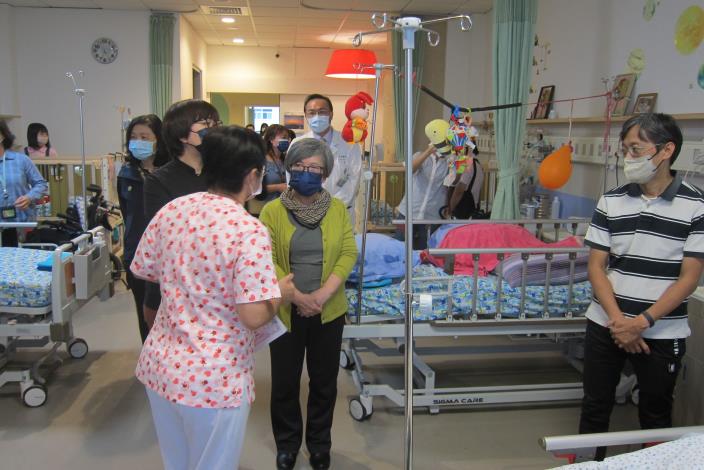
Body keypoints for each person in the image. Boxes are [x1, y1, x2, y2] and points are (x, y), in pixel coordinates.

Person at [131, 125, 294, 470]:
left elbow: (144, 268)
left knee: (177, 463)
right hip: (212, 377)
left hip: (162, 367)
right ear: (253, 176)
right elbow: (252, 315)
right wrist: (282, 295)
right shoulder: (247, 229)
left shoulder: (174, 210)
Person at [579, 113, 704, 460]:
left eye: (636, 149)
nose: (628, 158)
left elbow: (689, 278)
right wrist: (620, 322)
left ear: (666, 150)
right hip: (606, 323)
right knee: (594, 407)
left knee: (655, 412)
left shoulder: (696, 205)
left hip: (662, 329)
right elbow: (596, 267)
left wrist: (642, 323)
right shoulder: (611, 201)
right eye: (625, 150)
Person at [259, 138, 357, 470]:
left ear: (325, 173)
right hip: (286, 310)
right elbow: (265, 258)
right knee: (285, 382)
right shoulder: (272, 211)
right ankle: (287, 444)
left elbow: (347, 253)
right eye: (300, 167)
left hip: (328, 310)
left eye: (315, 168)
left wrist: (322, 295)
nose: (307, 173)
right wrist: (298, 297)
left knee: (324, 381)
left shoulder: (338, 209)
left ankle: (319, 445)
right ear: (290, 168)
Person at [142, 99, 221, 331]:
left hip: (217, 283)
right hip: (175, 285)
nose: (214, 129)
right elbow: (162, 241)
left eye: (216, 123)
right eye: (206, 124)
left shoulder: (223, 175)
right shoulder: (158, 181)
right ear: (181, 135)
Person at [117, 114, 169, 343]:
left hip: (168, 255)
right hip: (137, 253)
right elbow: (127, 213)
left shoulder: (169, 174)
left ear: (159, 139)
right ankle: (152, 363)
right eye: (134, 137)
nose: (138, 142)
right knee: (145, 312)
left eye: (145, 137)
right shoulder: (126, 174)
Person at [293, 94, 362, 223]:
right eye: (311, 113)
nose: (317, 116)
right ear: (306, 116)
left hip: (341, 212)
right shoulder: (297, 144)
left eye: (322, 112)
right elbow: (292, 181)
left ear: (331, 114)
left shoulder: (349, 143)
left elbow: (354, 179)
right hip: (308, 213)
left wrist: (331, 207)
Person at [0, 120, 48, 247]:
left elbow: (41, 184)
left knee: (24, 263)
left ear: (3, 136)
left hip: (23, 225)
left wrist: (29, 197)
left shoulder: (21, 160)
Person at [395, 143, 449, 250]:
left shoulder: (449, 163)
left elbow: (452, 183)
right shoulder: (420, 155)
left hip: (431, 216)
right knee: (399, 248)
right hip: (408, 211)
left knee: (424, 252)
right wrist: (428, 152)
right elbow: (410, 169)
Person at [444, 151, 484, 220]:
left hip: (462, 209)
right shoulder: (478, 165)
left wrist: (450, 209)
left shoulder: (467, 165)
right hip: (473, 207)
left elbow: (459, 191)